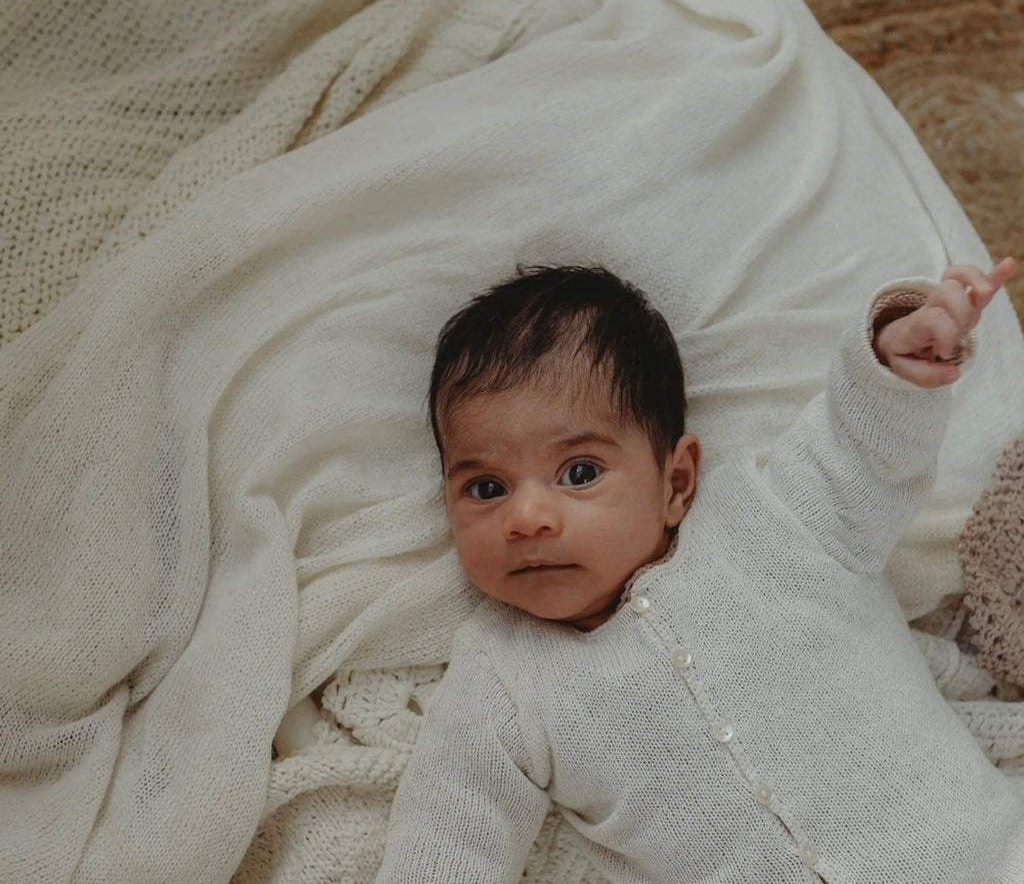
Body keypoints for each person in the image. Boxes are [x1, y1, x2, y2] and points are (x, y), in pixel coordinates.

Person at [375, 258, 1023, 884]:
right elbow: (451, 832)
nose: (527, 518)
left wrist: (895, 367)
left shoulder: (773, 520)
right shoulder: (503, 677)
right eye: (486, 488)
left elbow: (861, 450)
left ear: (676, 480)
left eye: (579, 473)